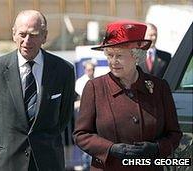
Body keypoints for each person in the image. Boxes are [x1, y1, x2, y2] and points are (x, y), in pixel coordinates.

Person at [73, 20, 182, 171]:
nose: (113, 61)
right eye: (109, 55)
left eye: (119, 55)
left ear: (137, 56)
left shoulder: (159, 87)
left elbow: (174, 134)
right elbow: (81, 135)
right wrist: (110, 149)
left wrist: (156, 148)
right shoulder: (95, 87)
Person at [0, 10, 75, 171]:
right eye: (22, 34)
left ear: (45, 36)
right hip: (6, 162)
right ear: (14, 34)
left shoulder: (63, 70)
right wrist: (9, 140)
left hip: (47, 162)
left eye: (34, 34)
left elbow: (64, 116)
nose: (27, 41)